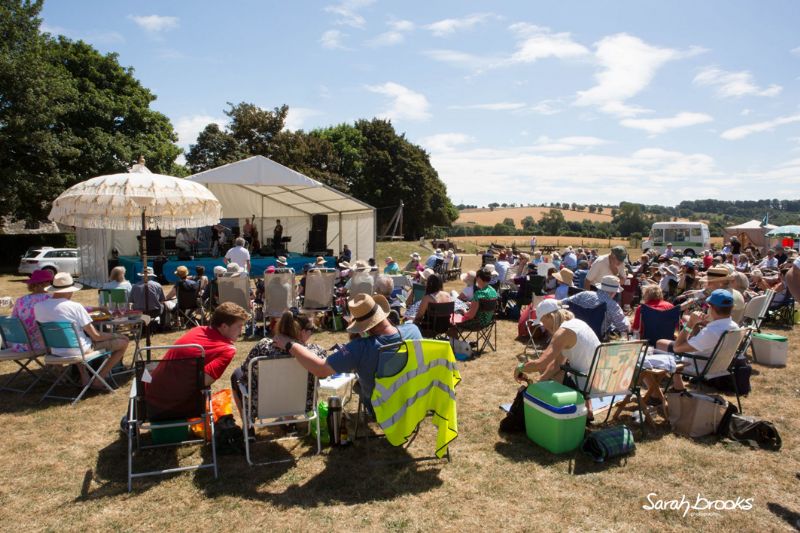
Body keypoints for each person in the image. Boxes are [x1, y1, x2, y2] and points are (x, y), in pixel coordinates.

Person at [273, 294, 422, 406]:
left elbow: (320, 369)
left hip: (382, 405)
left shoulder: (359, 347)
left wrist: (289, 344)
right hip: (414, 400)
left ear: (364, 327)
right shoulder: (414, 330)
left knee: (359, 385)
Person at [34, 273, 128, 389]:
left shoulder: (38, 307)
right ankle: (99, 378)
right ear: (69, 290)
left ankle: (84, 376)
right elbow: (96, 336)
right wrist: (115, 334)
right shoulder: (75, 306)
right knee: (124, 342)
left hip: (55, 351)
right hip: (79, 351)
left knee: (78, 338)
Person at [231, 309, 325, 416]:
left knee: (237, 374)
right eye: (311, 329)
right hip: (304, 404)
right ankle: (289, 420)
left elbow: (246, 372)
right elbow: (323, 375)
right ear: (302, 332)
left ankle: (247, 427)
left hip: (262, 405)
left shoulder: (263, 346)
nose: (313, 332)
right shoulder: (315, 352)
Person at [514, 299, 600, 415]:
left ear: (550, 316)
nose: (543, 326)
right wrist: (540, 381)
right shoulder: (578, 323)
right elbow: (557, 364)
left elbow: (541, 363)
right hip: (601, 379)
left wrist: (520, 368)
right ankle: (587, 408)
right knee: (556, 368)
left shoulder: (563, 332)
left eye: (542, 321)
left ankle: (559, 408)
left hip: (587, 383)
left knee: (546, 368)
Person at [655, 289, 738, 391]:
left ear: (711, 308)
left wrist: (690, 323)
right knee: (664, 344)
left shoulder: (711, 332)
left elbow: (677, 348)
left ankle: (662, 390)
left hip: (698, 365)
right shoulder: (734, 326)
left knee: (659, 344)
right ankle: (677, 386)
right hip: (719, 365)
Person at [156, 302, 249, 386]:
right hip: (173, 399)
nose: (242, 330)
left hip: (153, 390)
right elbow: (203, 382)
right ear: (224, 326)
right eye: (239, 326)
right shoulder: (228, 349)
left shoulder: (198, 329)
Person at [562, 275, 630, 337]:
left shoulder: (584, 294)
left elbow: (562, 303)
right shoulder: (613, 306)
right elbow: (624, 328)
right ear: (614, 292)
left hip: (573, 334)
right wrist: (627, 319)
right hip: (595, 340)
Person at [10, 269, 53, 353]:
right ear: (42, 283)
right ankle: (56, 365)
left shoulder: (20, 300)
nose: (51, 283)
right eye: (49, 281)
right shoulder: (50, 298)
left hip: (20, 345)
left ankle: (54, 365)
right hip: (42, 344)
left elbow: (13, 320)